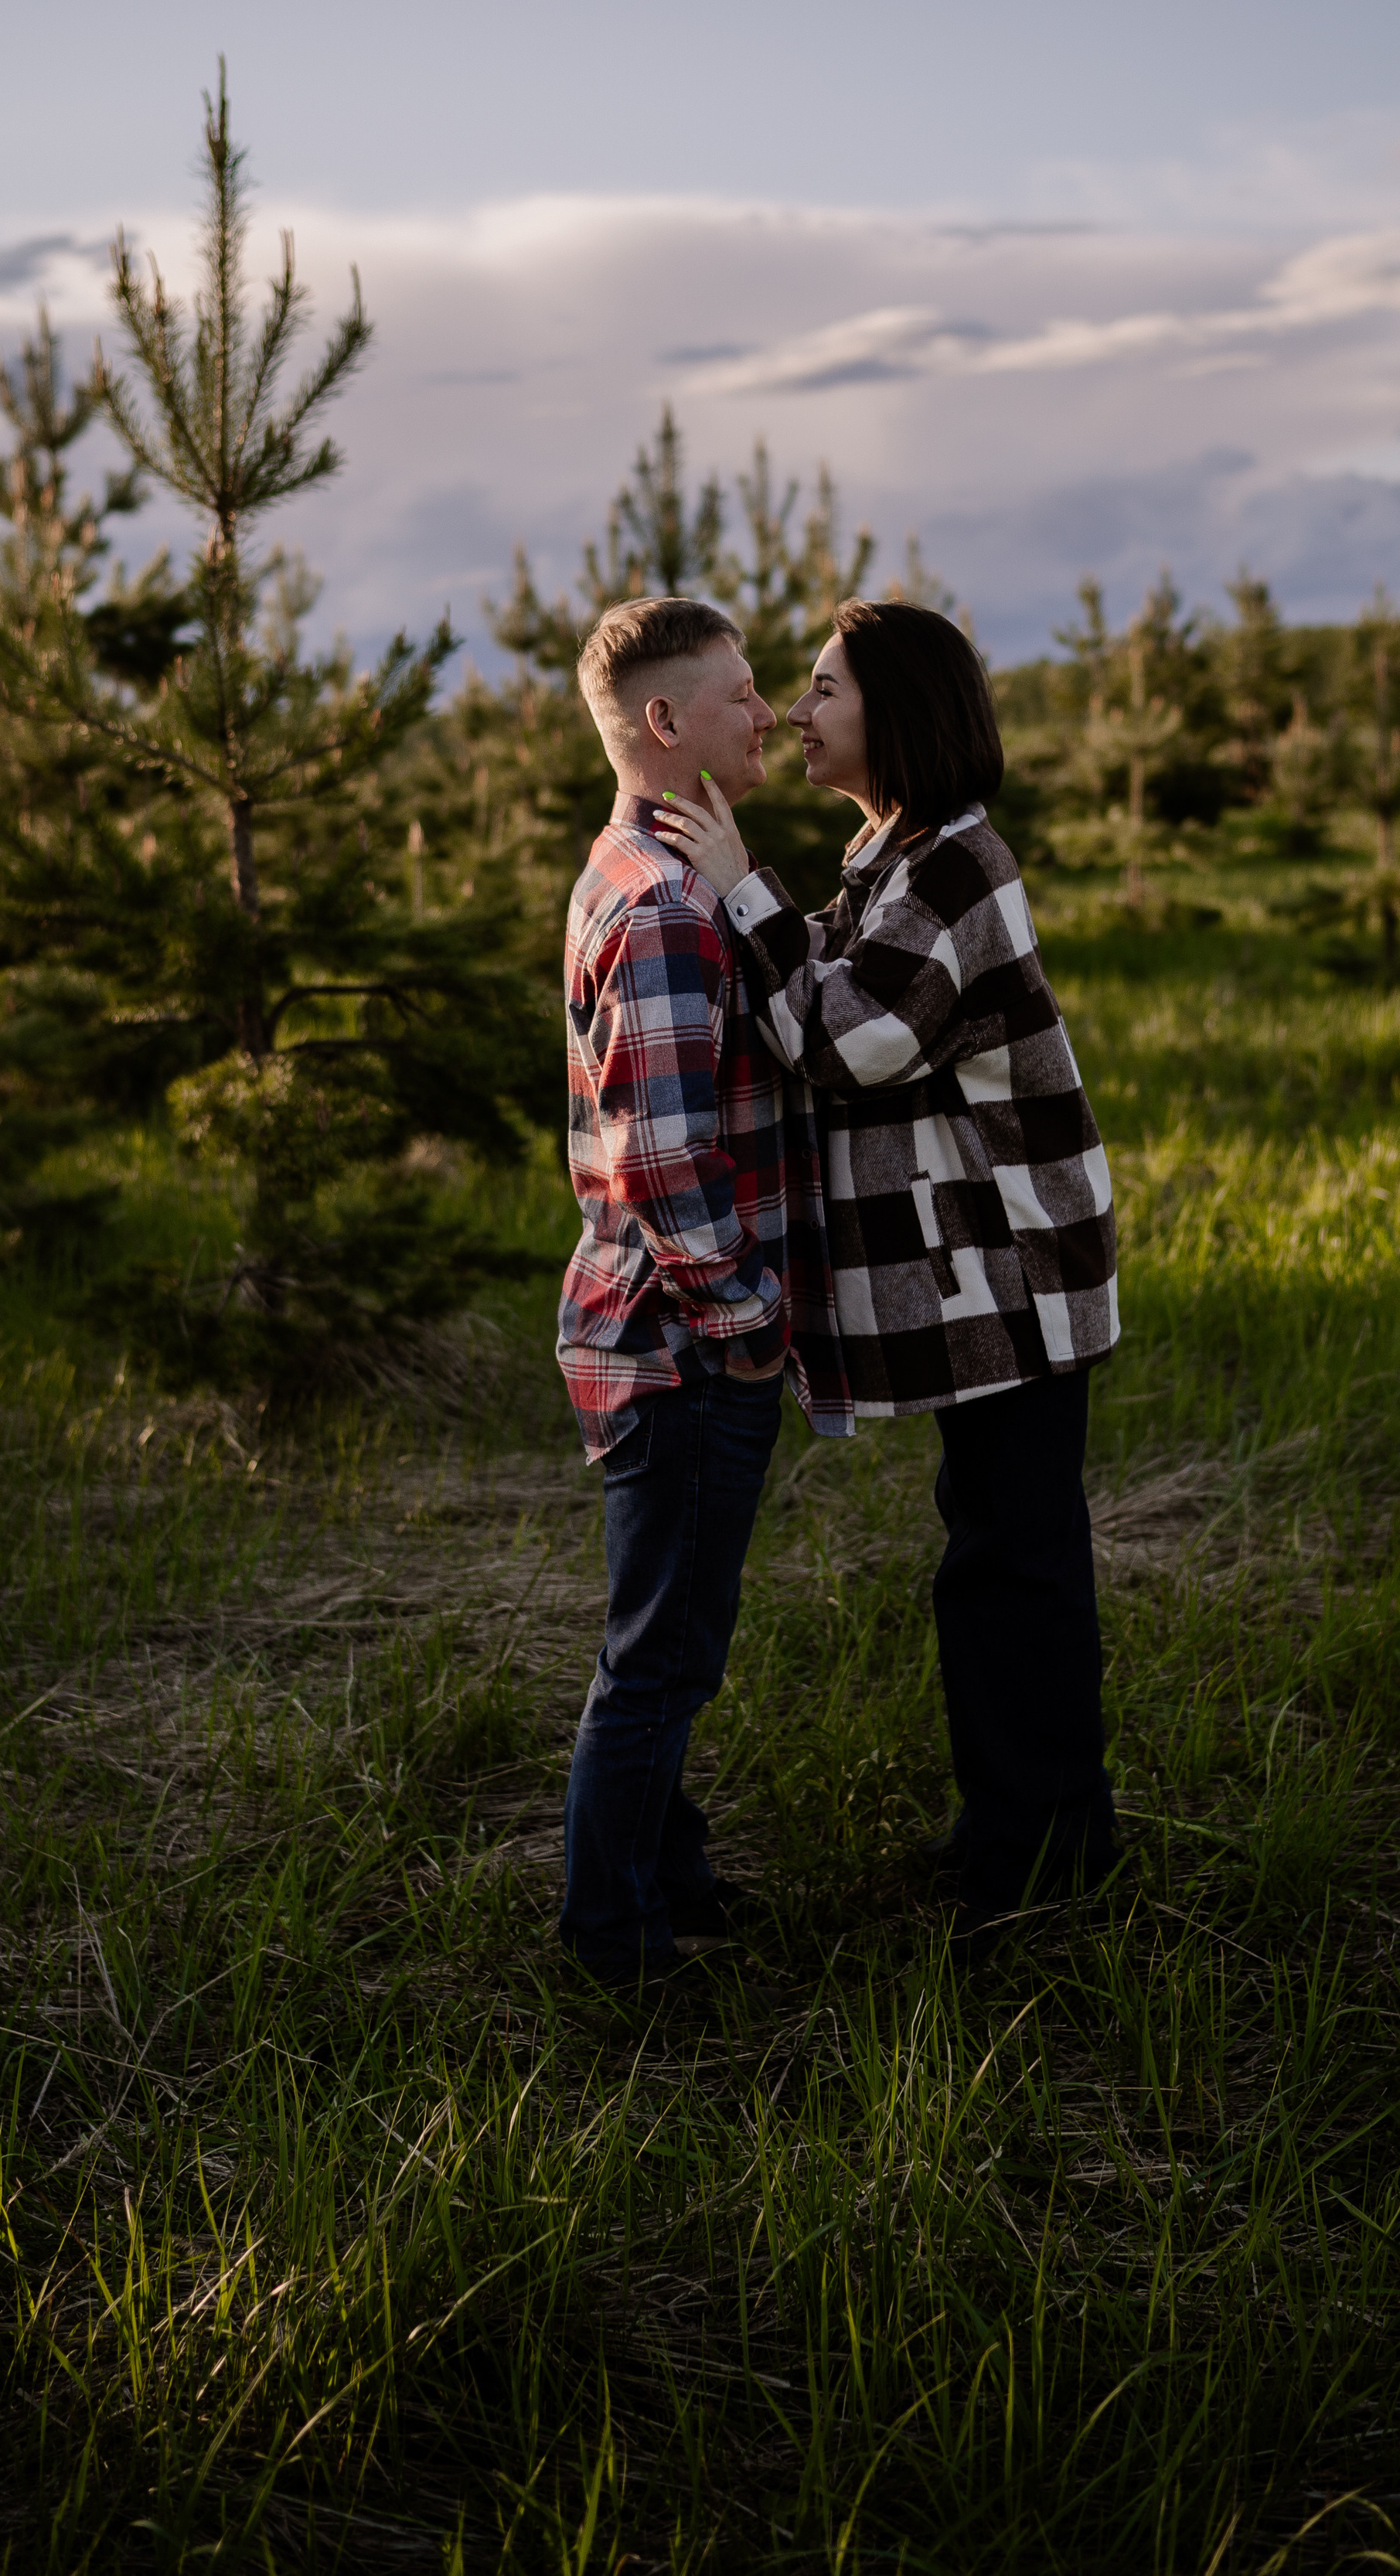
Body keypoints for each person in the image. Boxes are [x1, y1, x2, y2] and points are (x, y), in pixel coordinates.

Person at [657, 599, 1120, 1928]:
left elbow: (845, 1040)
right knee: (992, 1548)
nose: (799, 713)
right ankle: (1022, 1834)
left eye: (824, 690)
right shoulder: (894, 852)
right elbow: (821, 982)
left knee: (1014, 1561)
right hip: (981, 1269)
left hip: (1014, 1272)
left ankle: (1041, 1864)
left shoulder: (962, 868)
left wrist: (744, 883)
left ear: (899, 713)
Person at [557, 596, 852, 1987]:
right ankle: (613, 1945)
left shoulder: (625, 865)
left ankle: (664, 1874)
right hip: (681, 1350)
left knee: (667, 1634)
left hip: (654, 1338)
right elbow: (667, 1161)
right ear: (664, 724)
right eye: (741, 694)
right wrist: (743, 1330)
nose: (773, 713)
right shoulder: (670, 910)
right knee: (662, 1656)